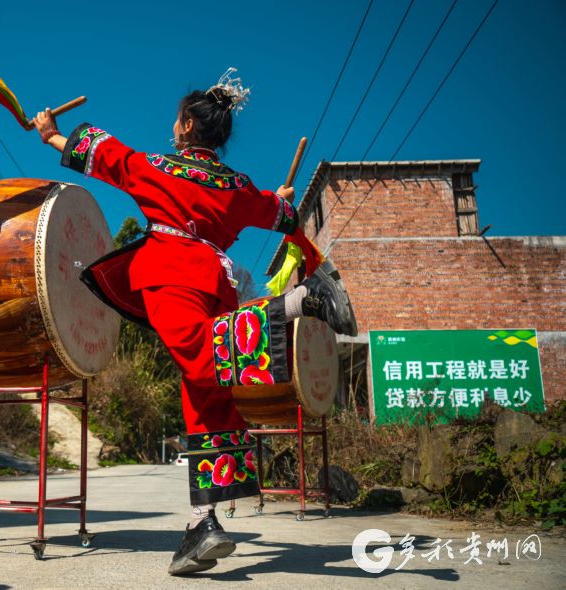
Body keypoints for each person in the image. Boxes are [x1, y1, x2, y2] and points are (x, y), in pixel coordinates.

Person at [32, 69, 356, 576]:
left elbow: (107, 156)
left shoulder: (157, 167)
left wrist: (50, 131)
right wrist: (280, 203)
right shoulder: (235, 185)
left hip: (172, 274)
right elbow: (279, 213)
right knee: (204, 391)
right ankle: (201, 524)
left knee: (202, 361)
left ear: (186, 126)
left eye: (175, 120)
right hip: (219, 282)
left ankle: (293, 304)